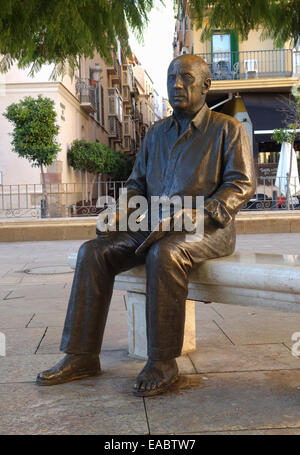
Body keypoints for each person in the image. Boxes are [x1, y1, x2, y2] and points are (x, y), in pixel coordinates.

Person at [36, 54, 255, 396]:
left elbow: (240, 185)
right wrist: (119, 210)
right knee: (92, 252)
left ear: (206, 86)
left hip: (206, 226)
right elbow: (136, 183)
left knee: (165, 255)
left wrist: (199, 213)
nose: (176, 85)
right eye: (171, 79)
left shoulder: (229, 130)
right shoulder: (156, 135)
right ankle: (80, 355)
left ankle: (163, 362)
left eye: (185, 78)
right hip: (152, 221)